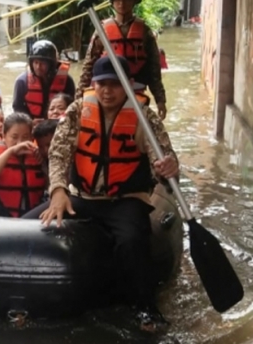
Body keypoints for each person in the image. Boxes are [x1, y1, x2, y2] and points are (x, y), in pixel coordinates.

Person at [39, 55, 179, 332]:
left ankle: (145, 307)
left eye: (115, 84)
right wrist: (57, 189)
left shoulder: (144, 115)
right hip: (83, 196)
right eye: (102, 84)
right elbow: (58, 154)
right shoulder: (78, 111)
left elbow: (163, 155)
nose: (107, 91)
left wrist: (168, 165)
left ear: (128, 85)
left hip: (125, 199)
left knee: (132, 240)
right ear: (94, 84)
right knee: (35, 222)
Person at [77, 0, 168, 120]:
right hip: (109, 92)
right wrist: (79, 97)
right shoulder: (101, 31)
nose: (122, 3)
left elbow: (154, 69)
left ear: (133, 2)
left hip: (136, 89)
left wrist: (160, 100)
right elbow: (88, 66)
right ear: (112, 3)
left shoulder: (144, 31)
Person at [0, 113, 47, 218]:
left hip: (33, 216)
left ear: (31, 138)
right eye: (14, 137)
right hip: (2, 216)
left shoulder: (38, 157)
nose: (20, 142)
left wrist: (44, 159)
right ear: (4, 136)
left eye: (25, 137)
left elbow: (49, 185)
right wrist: (10, 151)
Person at [12, 40, 76, 122]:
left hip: (58, 124)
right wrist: (29, 122)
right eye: (36, 62)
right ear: (31, 63)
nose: (38, 67)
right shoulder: (22, 81)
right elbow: (17, 108)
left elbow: (71, 108)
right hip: (32, 124)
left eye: (42, 63)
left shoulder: (67, 81)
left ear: (51, 64)